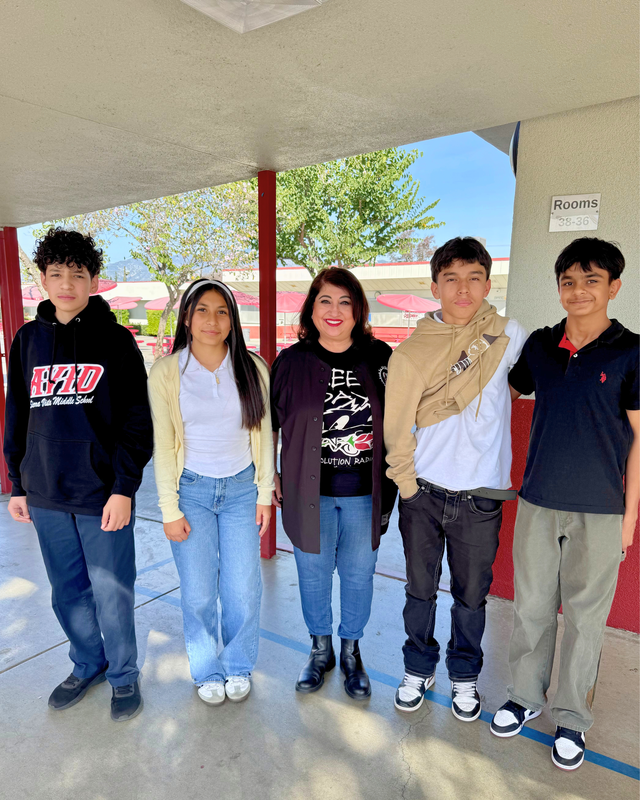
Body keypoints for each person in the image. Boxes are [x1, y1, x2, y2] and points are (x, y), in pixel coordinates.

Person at [490, 238, 639, 771]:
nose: (578, 291)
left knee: (584, 618)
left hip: (601, 510)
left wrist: (630, 516)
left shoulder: (631, 351)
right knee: (530, 608)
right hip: (537, 501)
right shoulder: (540, 346)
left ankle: (572, 717)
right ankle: (524, 697)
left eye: (591, 281)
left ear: (613, 287)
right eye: (568, 281)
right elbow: (500, 395)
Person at [4, 227, 153, 721]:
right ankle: (88, 662)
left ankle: (124, 676)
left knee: (112, 592)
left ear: (93, 280)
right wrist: (18, 484)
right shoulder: (27, 340)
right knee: (67, 591)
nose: (67, 284)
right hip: (45, 492)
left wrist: (124, 488)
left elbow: (138, 422)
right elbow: (17, 415)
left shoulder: (116, 341)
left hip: (101, 494)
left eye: (78, 274)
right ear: (43, 280)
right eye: (56, 273)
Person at [384, 237, 528, 721]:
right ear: (435, 287)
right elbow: (395, 427)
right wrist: (408, 488)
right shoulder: (410, 353)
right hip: (423, 493)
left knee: (471, 597)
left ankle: (464, 676)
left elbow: (531, 383)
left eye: (473, 278)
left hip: (481, 497)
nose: (462, 289)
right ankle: (417, 668)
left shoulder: (509, 336)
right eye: (451, 279)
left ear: (488, 284)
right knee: (419, 590)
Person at [271, 267, 397, 699]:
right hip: (309, 493)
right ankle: (320, 649)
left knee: (359, 576)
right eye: (325, 300)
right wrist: (271, 473)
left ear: (358, 310)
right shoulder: (291, 362)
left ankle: (351, 652)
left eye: (345, 301)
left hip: (365, 492)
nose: (335, 310)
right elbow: (270, 422)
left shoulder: (380, 357)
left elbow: (402, 417)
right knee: (313, 574)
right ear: (311, 308)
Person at [148, 278, 274, 706]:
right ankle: (206, 668)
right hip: (191, 492)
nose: (212, 320)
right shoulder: (167, 372)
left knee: (242, 588)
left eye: (222, 311)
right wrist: (168, 508)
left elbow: (264, 435)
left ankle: (238, 664)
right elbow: (164, 442)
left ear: (232, 321)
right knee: (199, 591)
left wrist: (264, 493)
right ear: (187, 317)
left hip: (241, 490)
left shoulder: (253, 368)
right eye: (202, 310)